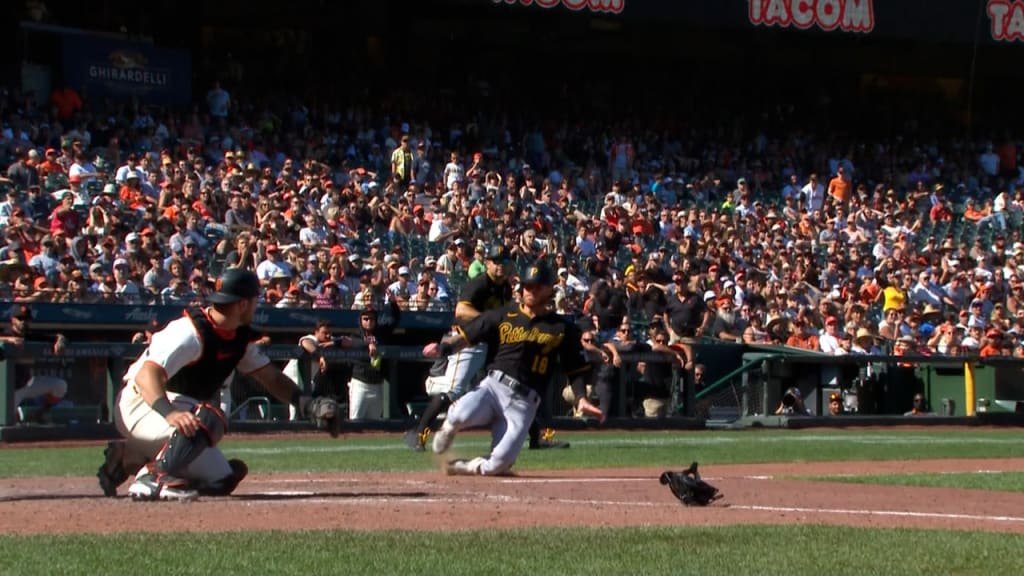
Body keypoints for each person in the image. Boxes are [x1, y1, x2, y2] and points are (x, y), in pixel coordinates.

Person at [95, 268, 338, 501]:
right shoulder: (189, 332)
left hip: (173, 412)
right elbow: (146, 376)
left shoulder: (236, 336)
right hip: (140, 404)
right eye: (254, 300)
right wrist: (170, 414)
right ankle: (153, 476)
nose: (256, 305)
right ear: (242, 304)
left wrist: (305, 403)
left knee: (220, 479)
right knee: (211, 418)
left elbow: (270, 377)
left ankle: (127, 457)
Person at [422, 260, 604, 476]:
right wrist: (443, 348)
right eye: (527, 286)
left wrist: (581, 398)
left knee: (497, 466)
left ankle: (461, 466)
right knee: (459, 415)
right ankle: (449, 428)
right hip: (493, 387)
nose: (531, 290)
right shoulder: (504, 314)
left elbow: (574, 368)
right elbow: (467, 336)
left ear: (550, 289)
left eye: (537, 286)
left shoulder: (563, 328)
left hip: (524, 404)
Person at [404, 245, 514, 451]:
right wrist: (489, 320)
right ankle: (419, 432)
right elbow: (461, 311)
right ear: (487, 263)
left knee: (511, 382)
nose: (500, 266)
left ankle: (536, 437)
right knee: (453, 390)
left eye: (505, 262)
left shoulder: (505, 288)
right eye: (496, 261)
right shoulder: (479, 283)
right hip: (467, 339)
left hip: (490, 341)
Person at [0, 305, 69, 423]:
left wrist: (60, 340)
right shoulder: (6, 333)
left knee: (60, 385)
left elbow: (58, 336)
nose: (23, 322)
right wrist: (8, 340)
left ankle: (43, 412)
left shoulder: (30, 336)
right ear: (12, 320)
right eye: (20, 319)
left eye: (26, 319)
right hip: (6, 390)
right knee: (9, 421)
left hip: (27, 384)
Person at [282, 320, 352, 420]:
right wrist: (320, 356)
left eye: (329, 333)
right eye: (324, 333)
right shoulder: (311, 338)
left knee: (306, 404)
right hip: (292, 376)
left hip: (307, 379)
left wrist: (333, 342)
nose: (328, 335)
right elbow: (306, 343)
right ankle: (293, 430)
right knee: (296, 406)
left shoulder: (329, 339)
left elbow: (348, 341)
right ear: (316, 332)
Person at [348, 299, 401, 420]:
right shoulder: (356, 335)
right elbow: (352, 343)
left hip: (377, 384)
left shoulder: (381, 333)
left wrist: (393, 303)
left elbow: (394, 320)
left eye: (371, 319)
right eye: (365, 319)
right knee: (355, 421)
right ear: (361, 320)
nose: (369, 322)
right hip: (360, 384)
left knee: (375, 422)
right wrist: (368, 344)